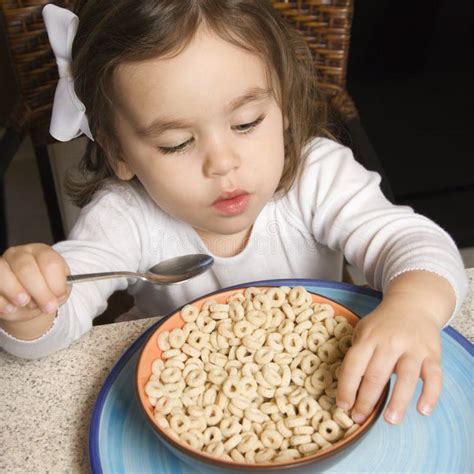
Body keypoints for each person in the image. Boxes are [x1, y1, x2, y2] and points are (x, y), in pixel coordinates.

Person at [0, 0, 467, 428]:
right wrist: (27, 305)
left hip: (325, 387)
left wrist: (412, 306)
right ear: (118, 151)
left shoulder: (318, 175)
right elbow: (52, 333)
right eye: (176, 143)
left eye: (246, 123)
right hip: (188, 412)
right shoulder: (122, 215)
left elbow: (411, 243)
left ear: (282, 105)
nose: (222, 163)